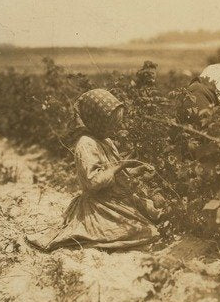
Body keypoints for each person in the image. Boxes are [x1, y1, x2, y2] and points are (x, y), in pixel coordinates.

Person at [25, 89, 160, 252]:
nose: (115, 129)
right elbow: (93, 183)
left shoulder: (106, 140)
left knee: (153, 214)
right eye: (110, 125)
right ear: (96, 121)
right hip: (99, 204)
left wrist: (138, 170)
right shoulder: (86, 144)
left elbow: (113, 175)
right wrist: (122, 165)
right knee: (144, 231)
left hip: (114, 199)